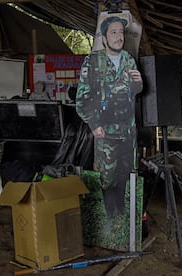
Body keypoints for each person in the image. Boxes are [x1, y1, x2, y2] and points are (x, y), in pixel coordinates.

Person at [76, 16, 143, 220]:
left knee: (126, 173)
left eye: (121, 32)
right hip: (105, 131)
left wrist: (139, 84)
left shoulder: (129, 60)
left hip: (128, 131)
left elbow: (135, 92)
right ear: (104, 38)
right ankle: (109, 215)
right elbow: (82, 98)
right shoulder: (93, 61)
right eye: (113, 32)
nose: (118, 36)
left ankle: (122, 213)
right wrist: (94, 125)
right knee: (107, 176)